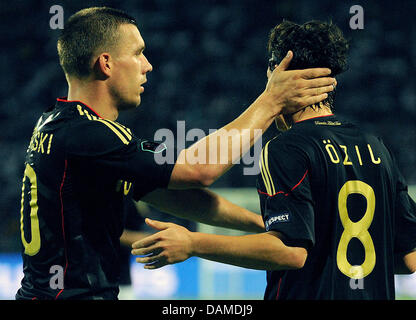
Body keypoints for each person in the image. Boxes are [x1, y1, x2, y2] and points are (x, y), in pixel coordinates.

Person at [16, 7, 336, 300]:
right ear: (106, 63)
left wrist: (262, 223)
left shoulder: (58, 123)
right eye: (138, 53)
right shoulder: (90, 135)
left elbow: (176, 196)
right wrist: (271, 101)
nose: (148, 65)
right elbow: (198, 171)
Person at [132, 20, 416, 300]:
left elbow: (290, 252)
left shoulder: (286, 147)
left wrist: (194, 243)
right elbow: (410, 257)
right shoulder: (376, 147)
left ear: (278, 74)